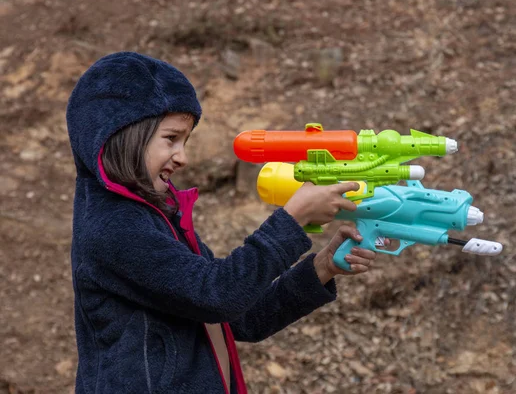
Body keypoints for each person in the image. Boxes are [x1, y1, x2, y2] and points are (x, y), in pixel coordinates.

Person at [66, 52, 382, 394]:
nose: (183, 157)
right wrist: (293, 219)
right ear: (122, 135)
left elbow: (241, 317)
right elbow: (217, 295)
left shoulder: (158, 217)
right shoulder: (114, 227)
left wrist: (320, 268)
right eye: (171, 139)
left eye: (185, 141)